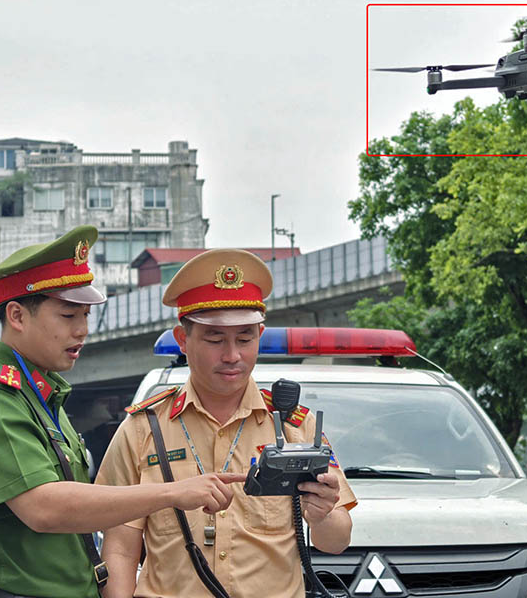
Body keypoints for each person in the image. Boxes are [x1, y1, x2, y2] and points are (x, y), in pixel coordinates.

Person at [0, 227, 245, 598]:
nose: (82, 331)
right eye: (67, 316)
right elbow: (45, 508)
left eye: (85, 315)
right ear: (16, 315)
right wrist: (173, 492)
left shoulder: (40, 396)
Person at [96, 249, 357, 598]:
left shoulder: (297, 427)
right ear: (183, 340)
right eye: (215, 339)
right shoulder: (143, 429)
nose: (232, 355)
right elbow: (120, 549)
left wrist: (322, 515)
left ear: (260, 336)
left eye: (245, 339)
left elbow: (337, 541)